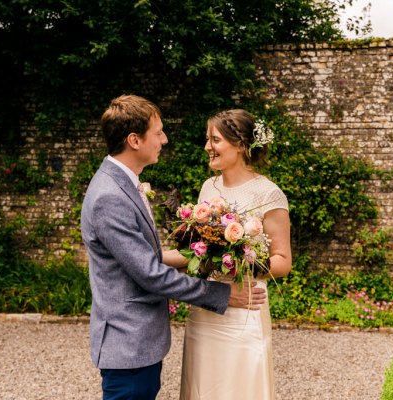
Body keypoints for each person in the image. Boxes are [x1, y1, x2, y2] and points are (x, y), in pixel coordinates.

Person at [80, 95, 267, 400]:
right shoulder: (109, 196)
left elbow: (146, 258)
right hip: (127, 344)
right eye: (158, 132)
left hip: (139, 344)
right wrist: (224, 295)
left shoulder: (123, 184)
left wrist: (204, 258)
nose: (164, 140)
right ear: (134, 140)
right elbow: (151, 274)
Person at [179, 109, 292, 400]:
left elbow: (282, 260)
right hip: (206, 308)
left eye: (214, 139)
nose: (207, 147)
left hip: (244, 308)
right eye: (207, 139)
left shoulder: (268, 193)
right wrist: (151, 256)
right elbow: (198, 251)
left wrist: (241, 266)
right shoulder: (209, 187)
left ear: (240, 145)